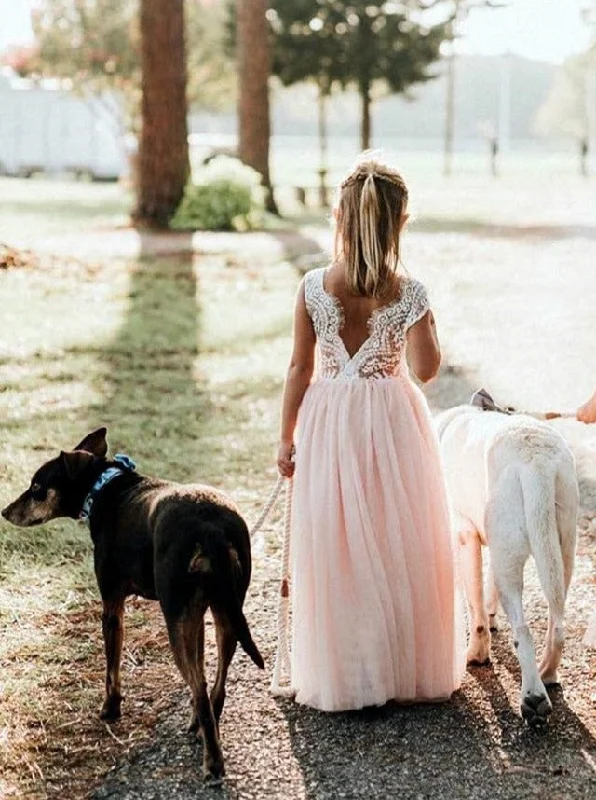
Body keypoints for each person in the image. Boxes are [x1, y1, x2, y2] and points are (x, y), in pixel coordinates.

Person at [276, 156, 465, 712]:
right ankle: (398, 665)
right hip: (393, 420)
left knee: (337, 539)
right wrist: (425, 319)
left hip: (330, 420)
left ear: (340, 217)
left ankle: (348, 670)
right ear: (399, 223)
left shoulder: (313, 286)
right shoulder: (410, 292)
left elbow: (298, 370)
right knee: (396, 537)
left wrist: (286, 438)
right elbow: (428, 371)